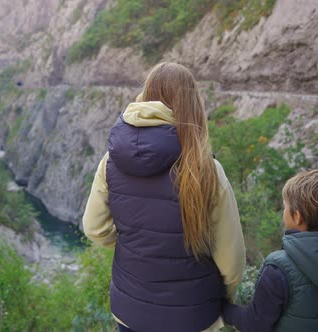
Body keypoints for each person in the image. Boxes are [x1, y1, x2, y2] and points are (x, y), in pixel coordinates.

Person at [82, 62, 245, 332]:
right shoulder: (206, 169)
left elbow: (94, 228)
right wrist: (223, 295)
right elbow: (231, 259)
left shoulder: (111, 161)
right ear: (191, 103)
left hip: (131, 313)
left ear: (146, 95)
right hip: (193, 315)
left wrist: (135, 244)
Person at [222, 169, 318, 332]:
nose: (283, 212)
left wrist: (224, 309)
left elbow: (256, 324)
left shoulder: (278, 267)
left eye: (285, 207)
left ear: (297, 216)